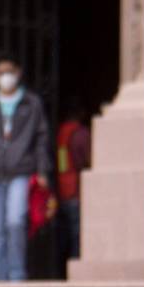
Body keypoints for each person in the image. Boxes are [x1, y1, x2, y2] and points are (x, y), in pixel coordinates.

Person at [0, 56, 51, 282]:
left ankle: (16, 276)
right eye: (1, 72)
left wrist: (42, 170)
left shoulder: (31, 104)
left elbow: (41, 138)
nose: (6, 77)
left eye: (9, 71)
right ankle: (2, 279)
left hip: (20, 170)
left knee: (15, 221)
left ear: (18, 72)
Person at [56, 105, 91, 261]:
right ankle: (74, 261)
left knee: (64, 234)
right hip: (76, 190)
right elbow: (85, 160)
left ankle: (62, 264)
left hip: (62, 189)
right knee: (77, 234)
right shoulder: (80, 133)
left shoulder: (60, 133)